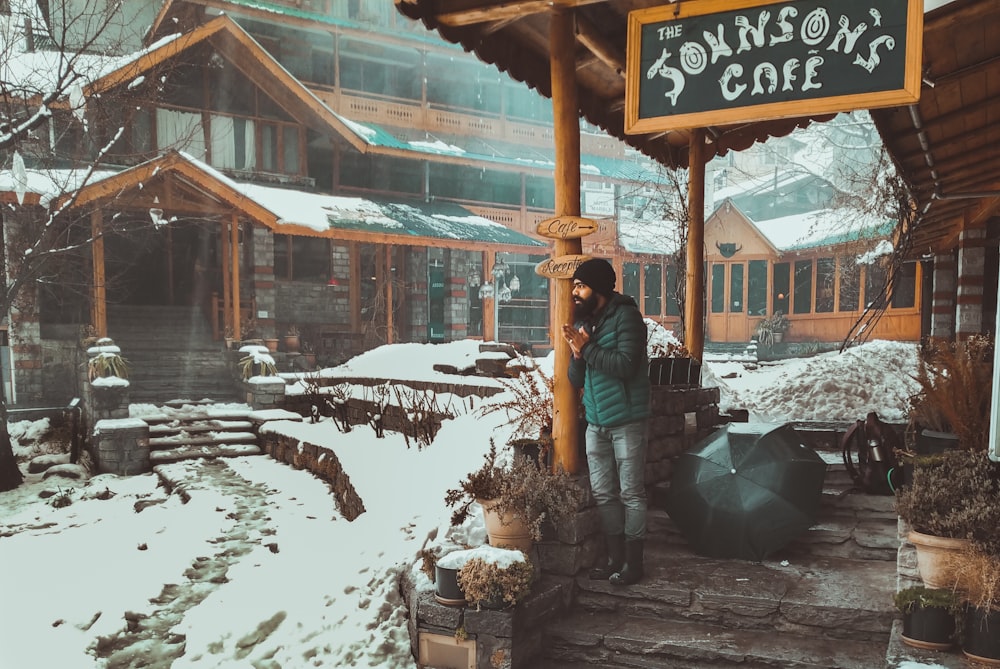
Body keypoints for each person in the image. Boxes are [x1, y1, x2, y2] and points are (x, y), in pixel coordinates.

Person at [561, 258, 650, 586]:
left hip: (626, 420)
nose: (575, 292)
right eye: (574, 287)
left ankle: (634, 562)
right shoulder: (587, 322)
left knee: (631, 493)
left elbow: (627, 364)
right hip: (596, 421)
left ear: (597, 288)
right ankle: (614, 557)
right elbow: (576, 378)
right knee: (602, 492)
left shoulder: (627, 317)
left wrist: (589, 347)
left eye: (580, 286)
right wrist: (577, 355)